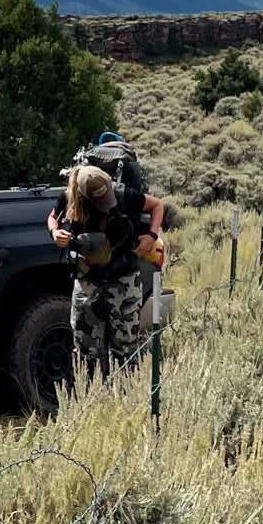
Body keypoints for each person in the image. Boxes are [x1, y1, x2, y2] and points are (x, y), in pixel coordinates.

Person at [48, 163, 164, 380]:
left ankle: (125, 394)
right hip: (87, 280)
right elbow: (52, 217)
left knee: (125, 345)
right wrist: (55, 232)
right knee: (85, 347)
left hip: (123, 277)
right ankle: (91, 391)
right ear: (83, 196)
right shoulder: (70, 198)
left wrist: (151, 235)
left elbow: (157, 205)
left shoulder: (122, 195)